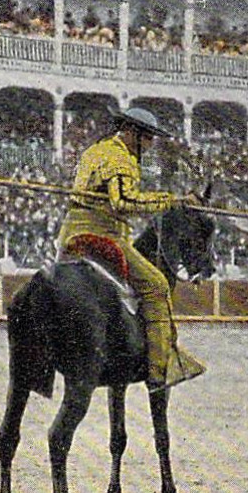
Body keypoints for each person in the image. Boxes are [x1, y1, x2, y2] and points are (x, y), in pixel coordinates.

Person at [59, 105, 204, 390]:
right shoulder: (120, 159)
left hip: (69, 234)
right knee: (157, 285)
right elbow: (123, 201)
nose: (150, 145)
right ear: (132, 132)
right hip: (102, 235)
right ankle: (160, 371)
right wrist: (175, 201)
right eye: (148, 138)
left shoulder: (96, 150)